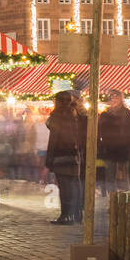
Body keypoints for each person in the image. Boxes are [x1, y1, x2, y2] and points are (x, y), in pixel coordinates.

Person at [45, 90, 86, 223]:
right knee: (74, 186)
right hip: (74, 156)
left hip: (61, 155)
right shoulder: (76, 114)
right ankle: (77, 215)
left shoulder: (58, 116)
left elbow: (54, 139)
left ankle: (65, 216)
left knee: (65, 188)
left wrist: (49, 159)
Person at [98, 89, 130, 193]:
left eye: (116, 97)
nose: (113, 99)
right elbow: (101, 131)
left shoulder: (127, 114)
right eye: (111, 98)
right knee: (110, 176)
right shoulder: (105, 115)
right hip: (109, 149)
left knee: (126, 177)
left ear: (121, 99)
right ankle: (112, 198)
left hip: (124, 149)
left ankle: (127, 198)